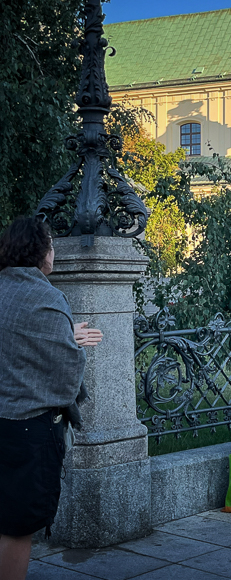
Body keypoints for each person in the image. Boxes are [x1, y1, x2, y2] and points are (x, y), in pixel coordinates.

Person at [0, 217, 102, 580]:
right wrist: (70, 344)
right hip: (29, 434)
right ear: (42, 253)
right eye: (52, 246)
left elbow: (14, 342)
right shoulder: (47, 296)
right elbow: (66, 377)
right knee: (16, 530)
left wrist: (61, 335)